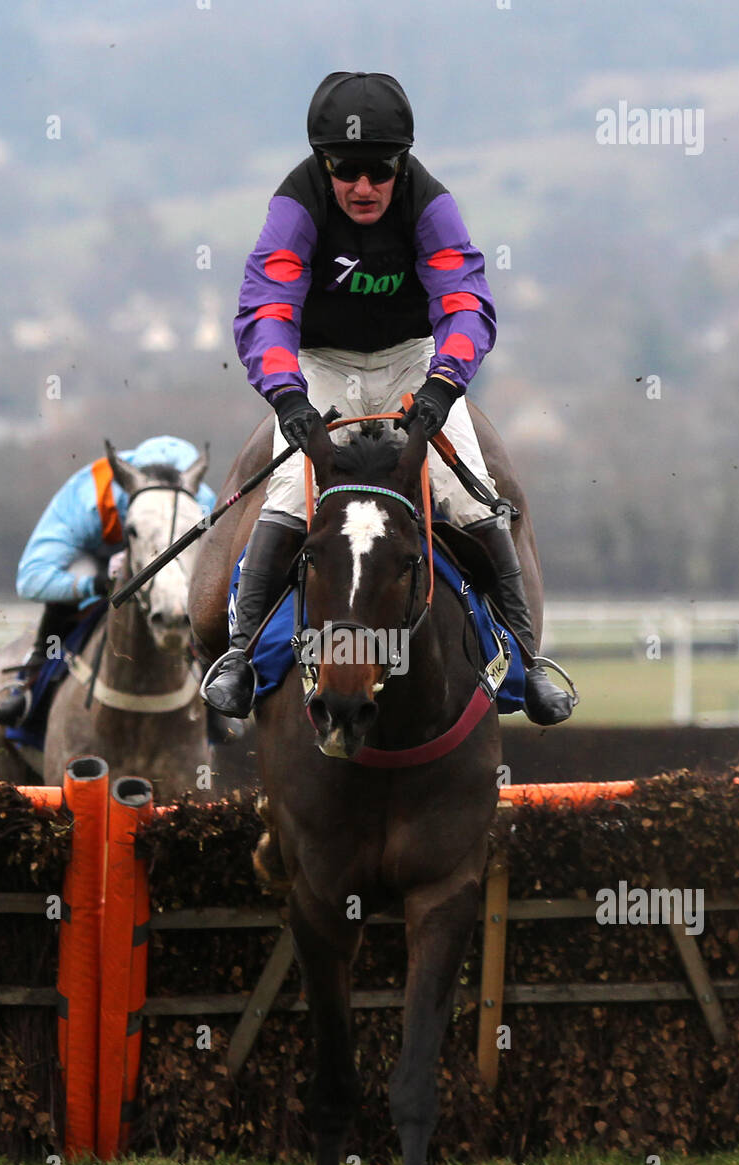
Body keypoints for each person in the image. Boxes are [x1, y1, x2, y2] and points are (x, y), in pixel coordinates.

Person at [202, 70, 573, 726]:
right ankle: (238, 655)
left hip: (411, 360)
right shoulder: (296, 204)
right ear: (324, 162)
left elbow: (463, 300)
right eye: (348, 170)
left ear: (402, 163)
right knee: (290, 493)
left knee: (472, 495)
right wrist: (288, 397)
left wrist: (441, 386)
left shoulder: (430, 202)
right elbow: (267, 307)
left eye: (382, 170)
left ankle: (527, 658)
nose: (365, 186)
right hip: (320, 366)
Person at [0, 436, 216, 725]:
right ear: (129, 477)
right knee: (77, 570)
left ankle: (216, 683)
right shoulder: (90, 493)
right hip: (98, 565)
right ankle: (30, 682)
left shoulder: (202, 501)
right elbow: (31, 579)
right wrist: (96, 583)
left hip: (171, 575)